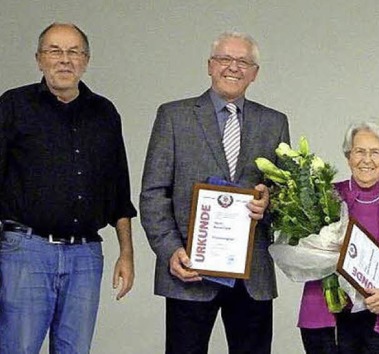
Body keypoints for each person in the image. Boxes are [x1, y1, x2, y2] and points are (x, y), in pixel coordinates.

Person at [140, 31, 289, 354]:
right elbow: (153, 193)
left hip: (252, 276)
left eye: (243, 61)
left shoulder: (274, 123)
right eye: (225, 59)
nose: (233, 68)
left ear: (255, 73)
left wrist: (269, 202)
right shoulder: (174, 117)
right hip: (189, 270)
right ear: (209, 66)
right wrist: (170, 251)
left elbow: (285, 198)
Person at [0, 23, 136, 353]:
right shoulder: (14, 106)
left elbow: (119, 189)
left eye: (73, 52)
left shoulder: (104, 113)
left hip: (86, 256)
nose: (64, 60)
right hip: (26, 251)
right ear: (39, 59)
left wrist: (127, 254)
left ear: (86, 60)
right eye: (54, 51)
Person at [297, 120, 379, 354]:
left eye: (375, 152)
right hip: (326, 315)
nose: (366, 160)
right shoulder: (325, 196)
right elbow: (300, 249)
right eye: (359, 151)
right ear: (348, 157)